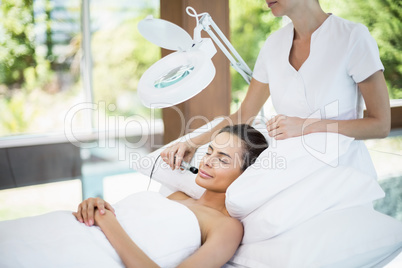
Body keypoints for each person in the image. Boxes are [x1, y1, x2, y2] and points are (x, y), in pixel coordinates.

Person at [160, 0, 390, 171]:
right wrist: (192, 142)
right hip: (288, 167)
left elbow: (380, 125)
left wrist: (306, 126)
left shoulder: (352, 37)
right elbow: (243, 114)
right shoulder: (274, 44)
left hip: (340, 170)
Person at [73, 124, 268, 267]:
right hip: (76, 233)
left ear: (246, 175)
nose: (207, 161)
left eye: (222, 160)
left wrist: (106, 220)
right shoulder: (177, 196)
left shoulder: (226, 226)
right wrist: (96, 206)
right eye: (209, 152)